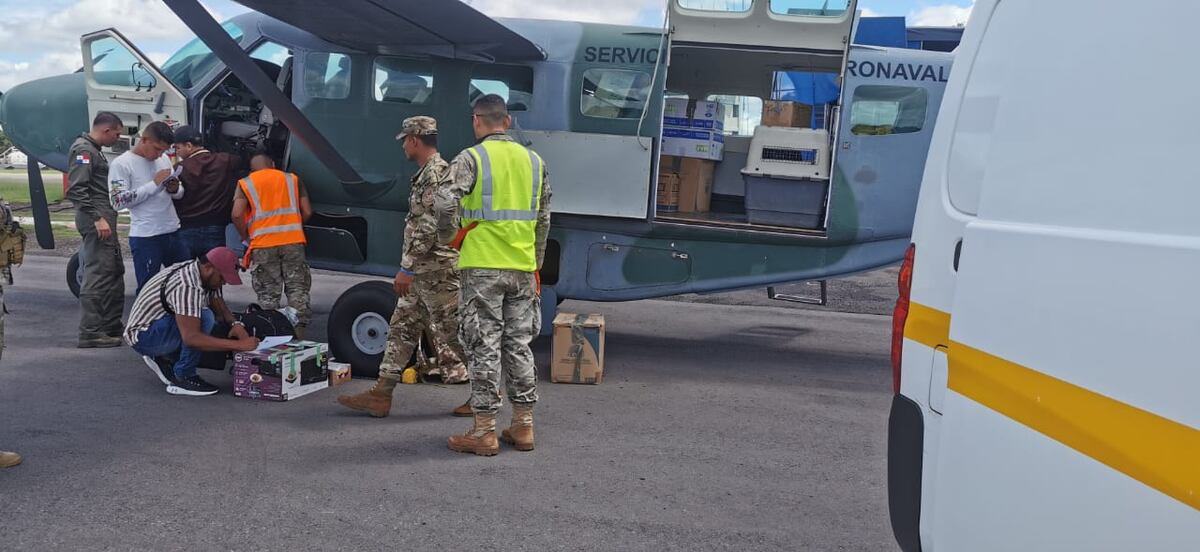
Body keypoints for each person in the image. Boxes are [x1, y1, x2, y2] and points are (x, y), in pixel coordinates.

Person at [437, 95, 552, 456]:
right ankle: (523, 427)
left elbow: (443, 200)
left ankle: (484, 430)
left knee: (484, 345)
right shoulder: (534, 161)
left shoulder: (471, 158)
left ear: (477, 121)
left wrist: (447, 237)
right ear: (509, 121)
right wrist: (535, 263)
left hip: (484, 266)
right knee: (518, 345)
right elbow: (545, 218)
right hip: (521, 267)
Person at [336, 116, 470, 418]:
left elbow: (429, 224)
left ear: (414, 140)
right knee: (401, 328)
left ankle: (486, 395)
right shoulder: (428, 172)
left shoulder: (436, 174)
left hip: (436, 272)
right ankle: (381, 394)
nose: (403, 148)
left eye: (405, 141)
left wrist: (407, 267)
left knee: (453, 336)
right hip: (424, 271)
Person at [124, 247, 260, 396]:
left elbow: (217, 300)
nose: (223, 283)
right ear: (209, 267)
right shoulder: (187, 285)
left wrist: (236, 324)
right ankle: (183, 377)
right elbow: (192, 339)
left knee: (204, 314)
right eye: (222, 278)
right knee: (204, 317)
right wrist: (239, 345)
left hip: (153, 325)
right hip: (143, 336)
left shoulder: (199, 270)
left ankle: (165, 357)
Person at [231, 153, 314, 337]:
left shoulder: (246, 183)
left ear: (252, 170)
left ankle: (273, 336)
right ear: (274, 164)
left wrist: (246, 236)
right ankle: (298, 336)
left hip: (263, 243)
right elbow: (307, 211)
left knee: (269, 294)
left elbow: (237, 215)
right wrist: (293, 228)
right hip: (293, 241)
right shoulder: (292, 179)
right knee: (297, 289)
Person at [68, 111, 126, 348]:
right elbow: (77, 189)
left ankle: (111, 326)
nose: (118, 138)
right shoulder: (84, 151)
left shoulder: (93, 150)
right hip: (97, 218)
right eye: (117, 133)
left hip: (103, 216)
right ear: (106, 130)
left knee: (113, 270)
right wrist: (97, 218)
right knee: (98, 273)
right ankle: (90, 332)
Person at [109, 121, 189, 292]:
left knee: (184, 285)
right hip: (146, 236)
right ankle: (147, 319)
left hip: (172, 231)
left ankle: (176, 319)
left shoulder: (165, 159)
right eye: (157, 149)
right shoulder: (121, 163)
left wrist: (175, 189)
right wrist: (153, 184)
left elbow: (179, 193)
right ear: (144, 140)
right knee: (148, 290)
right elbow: (117, 202)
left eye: (164, 150)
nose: (160, 155)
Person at [171, 125, 247, 259]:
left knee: (186, 271)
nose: (177, 152)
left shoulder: (180, 168)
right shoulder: (225, 160)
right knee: (213, 271)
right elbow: (243, 162)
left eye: (177, 148)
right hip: (216, 228)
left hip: (186, 228)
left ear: (189, 146)